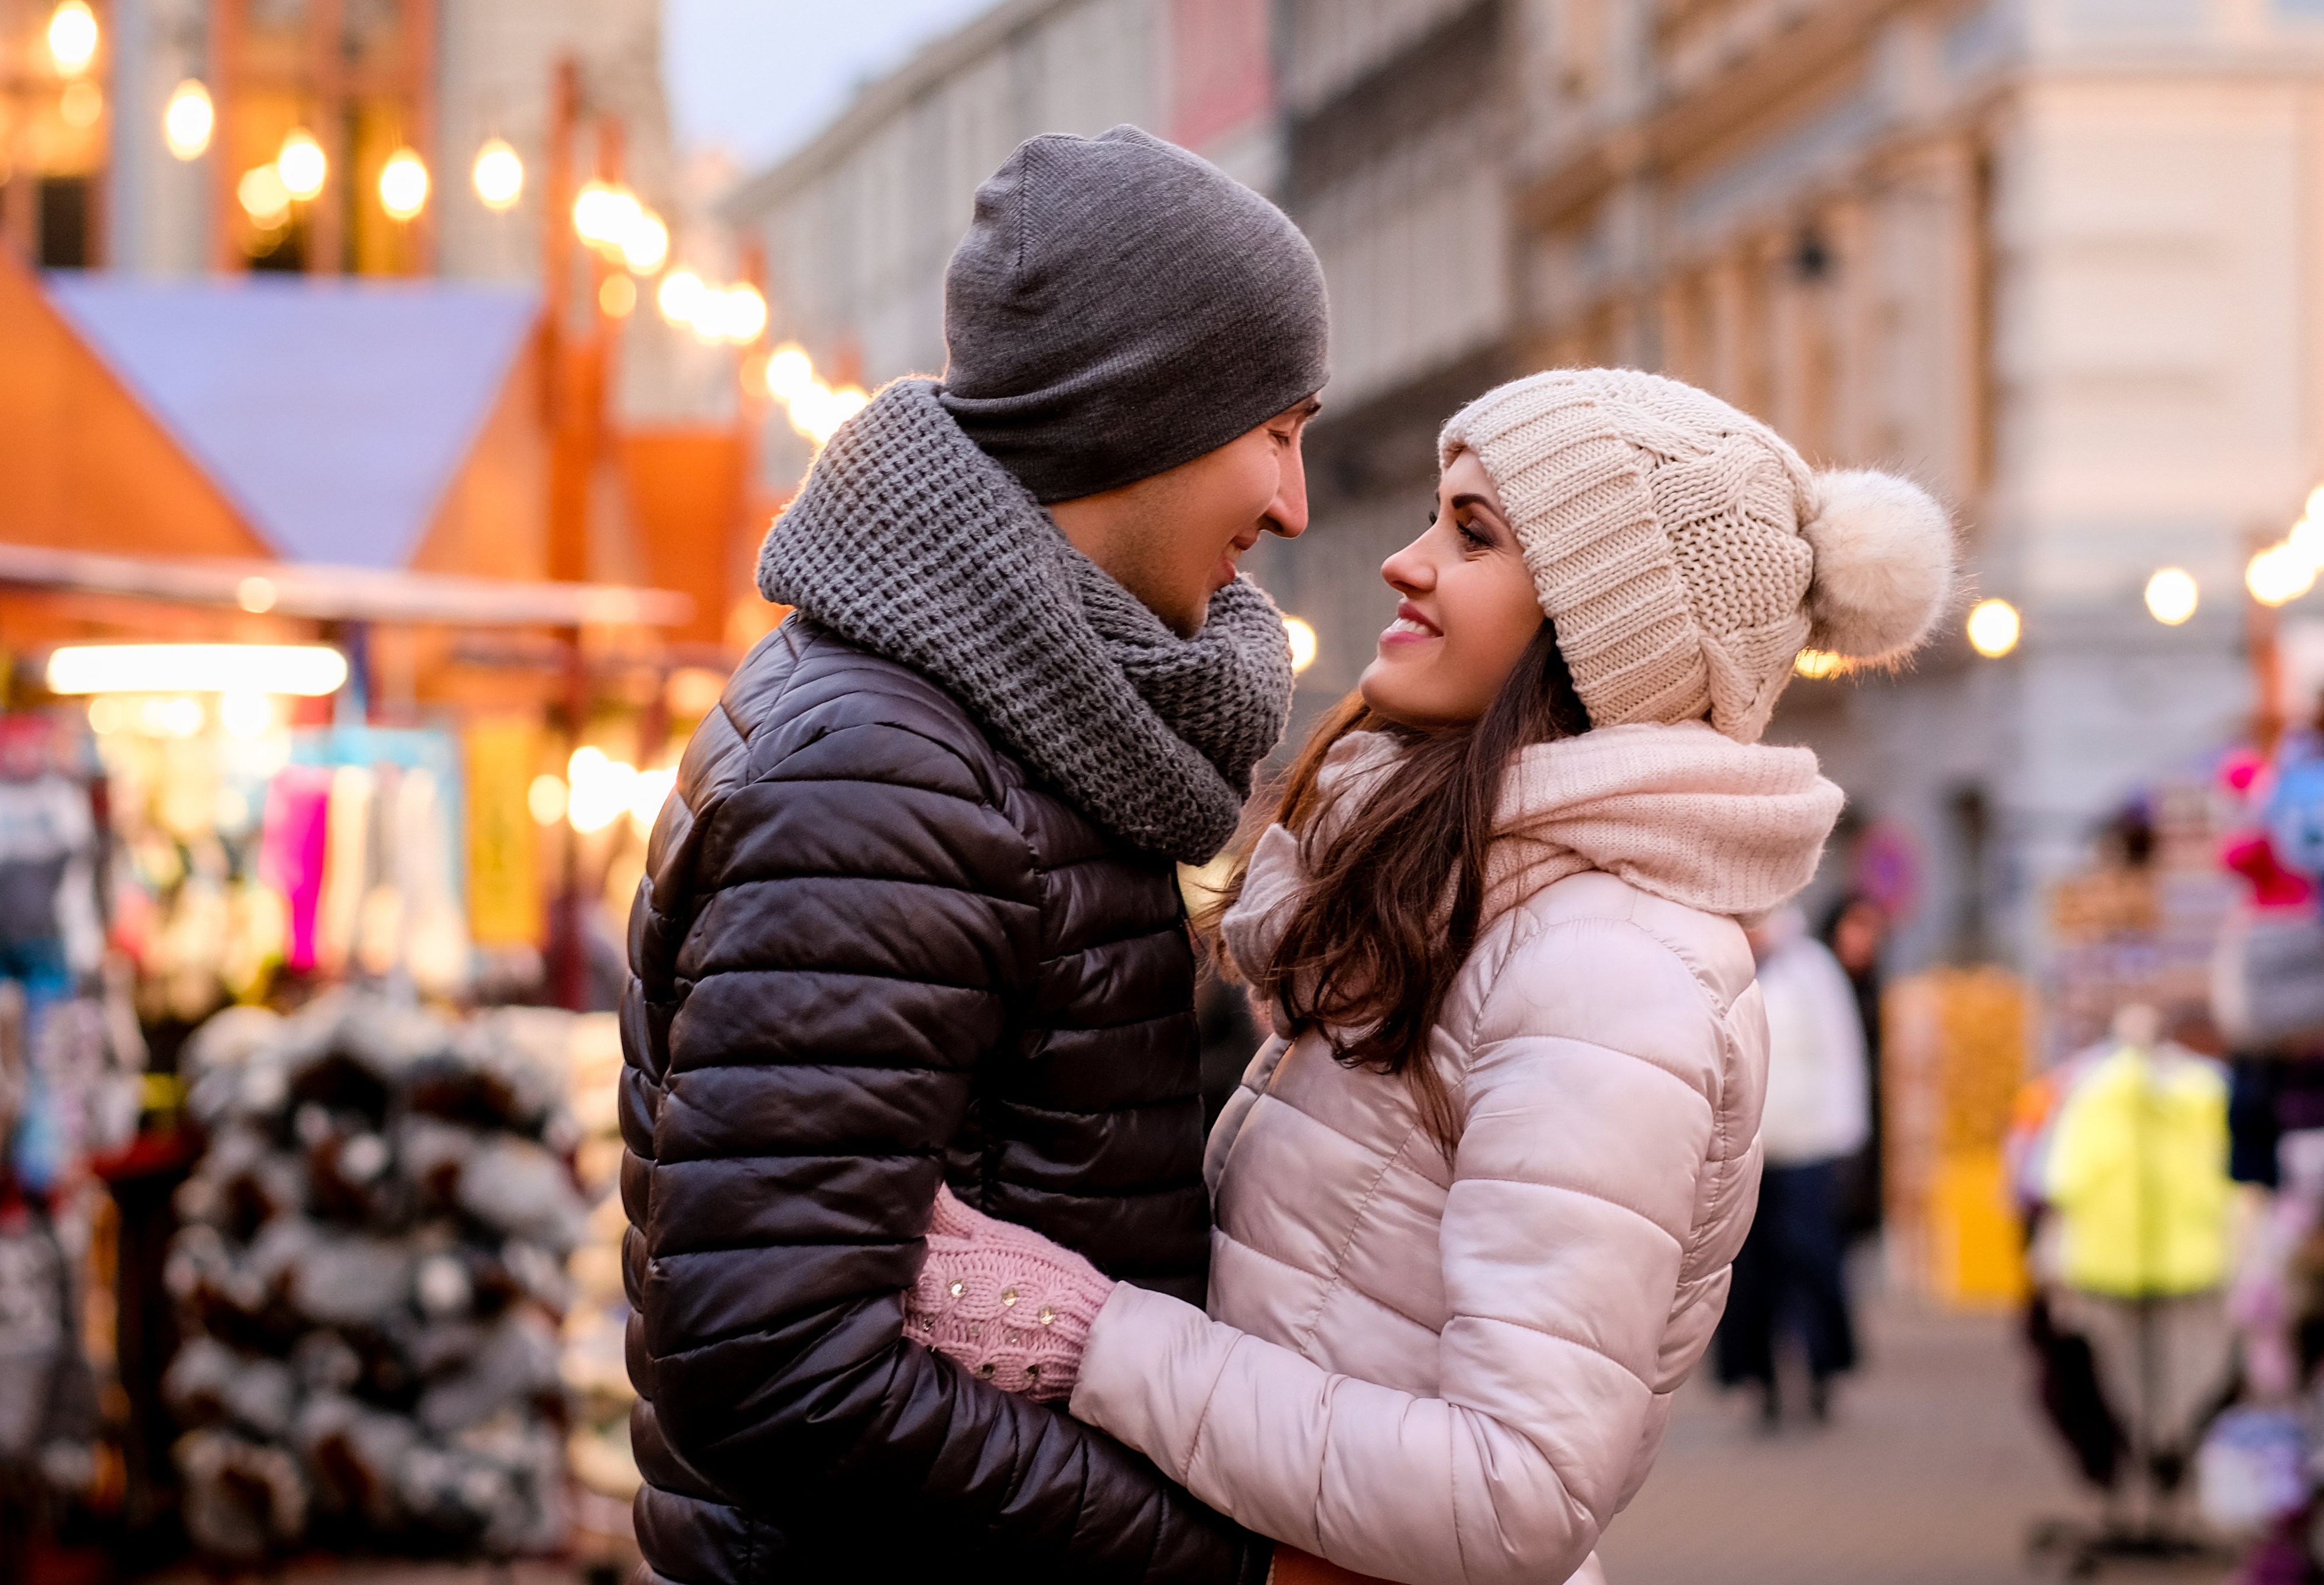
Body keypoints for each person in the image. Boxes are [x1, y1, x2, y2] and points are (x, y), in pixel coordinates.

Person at [899, 367, 1956, 1585]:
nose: (1405, 563)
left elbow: (1512, 1497)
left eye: (1471, 533)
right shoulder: (1482, 908)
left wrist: (1087, 1339)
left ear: (1598, 624)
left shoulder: (1605, 971)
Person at [619, 126, 1327, 1585]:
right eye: (1275, 427)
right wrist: (1209, 1561)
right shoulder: (883, 770)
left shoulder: (1024, 727)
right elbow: (774, 1359)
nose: (1294, 502)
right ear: (1144, 412)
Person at [1711, 903, 1869, 1424]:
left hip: (1806, 1146)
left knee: (1811, 1260)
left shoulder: (1813, 970)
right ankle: (1756, 1379)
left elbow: (1842, 1053)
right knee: (1747, 1273)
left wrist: (1847, 1135)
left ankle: (1826, 1368)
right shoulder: (1718, 965)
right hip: (1741, 1152)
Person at [1824, 891, 1891, 1245]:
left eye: (1873, 929)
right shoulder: (1815, 982)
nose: (1865, 939)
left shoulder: (1879, 995)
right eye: (1857, 925)